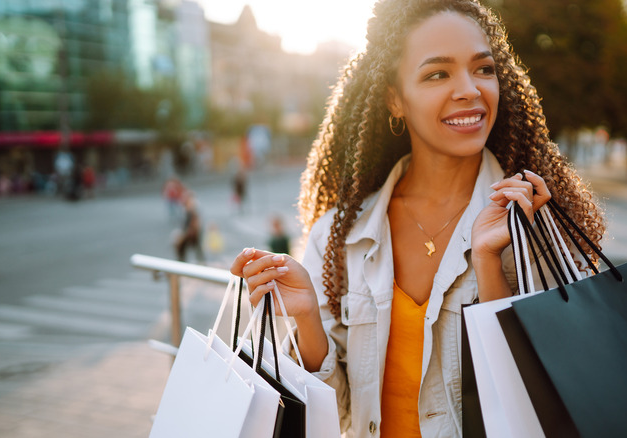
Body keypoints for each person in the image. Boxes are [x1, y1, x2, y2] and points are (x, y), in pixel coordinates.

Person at [230, 0, 605, 436]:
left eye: (483, 69)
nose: (469, 89)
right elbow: (338, 418)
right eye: (437, 74)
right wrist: (307, 318)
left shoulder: (536, 223)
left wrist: (488, 263)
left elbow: (546, 400)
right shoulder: (337, 235)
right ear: (395, 99)